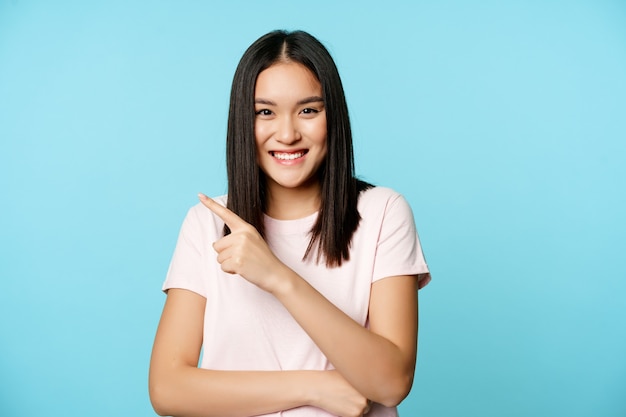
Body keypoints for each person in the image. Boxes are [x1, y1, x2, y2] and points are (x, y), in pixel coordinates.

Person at [149, 29, 431, 417]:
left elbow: (391, 382)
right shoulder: (207, 224)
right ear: (243, 122)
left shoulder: (383, 212)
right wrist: (313, 387)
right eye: (265, 112)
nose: (287, 134)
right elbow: (167, 389)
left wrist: (278, 277)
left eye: (308, 110)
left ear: (334, 117)